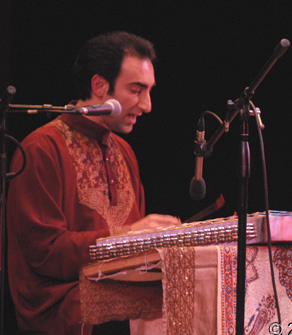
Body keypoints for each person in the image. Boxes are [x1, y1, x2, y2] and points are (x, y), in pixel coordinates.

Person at [7, 31, 179, 335]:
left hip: (121, 286)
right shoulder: (42, 148)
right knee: (158, 307)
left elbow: (137, 254)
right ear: (100, 86)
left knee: (189, 292)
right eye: (137, 90)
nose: (148, 105)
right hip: (62, 301)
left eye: (149, 91)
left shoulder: (124, 152)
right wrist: (126, 236)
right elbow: (44, 253)